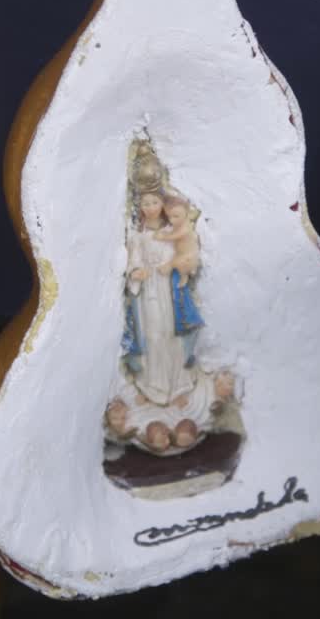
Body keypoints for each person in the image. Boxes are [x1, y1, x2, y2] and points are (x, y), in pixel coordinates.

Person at [112, 191, 234, 453]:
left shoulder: (175, 230)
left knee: (173, 337)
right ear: (140, 207)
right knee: (153, 339)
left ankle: (178, 386)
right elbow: (133, 263)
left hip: (171, 293)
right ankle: (150, 386)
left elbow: (188, 257)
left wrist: (177, 266)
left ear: (163, 206)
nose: (151, 207)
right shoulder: (137, 237)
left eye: (155, 202)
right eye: (146, 203)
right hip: (148, 296)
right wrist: (137, 273)